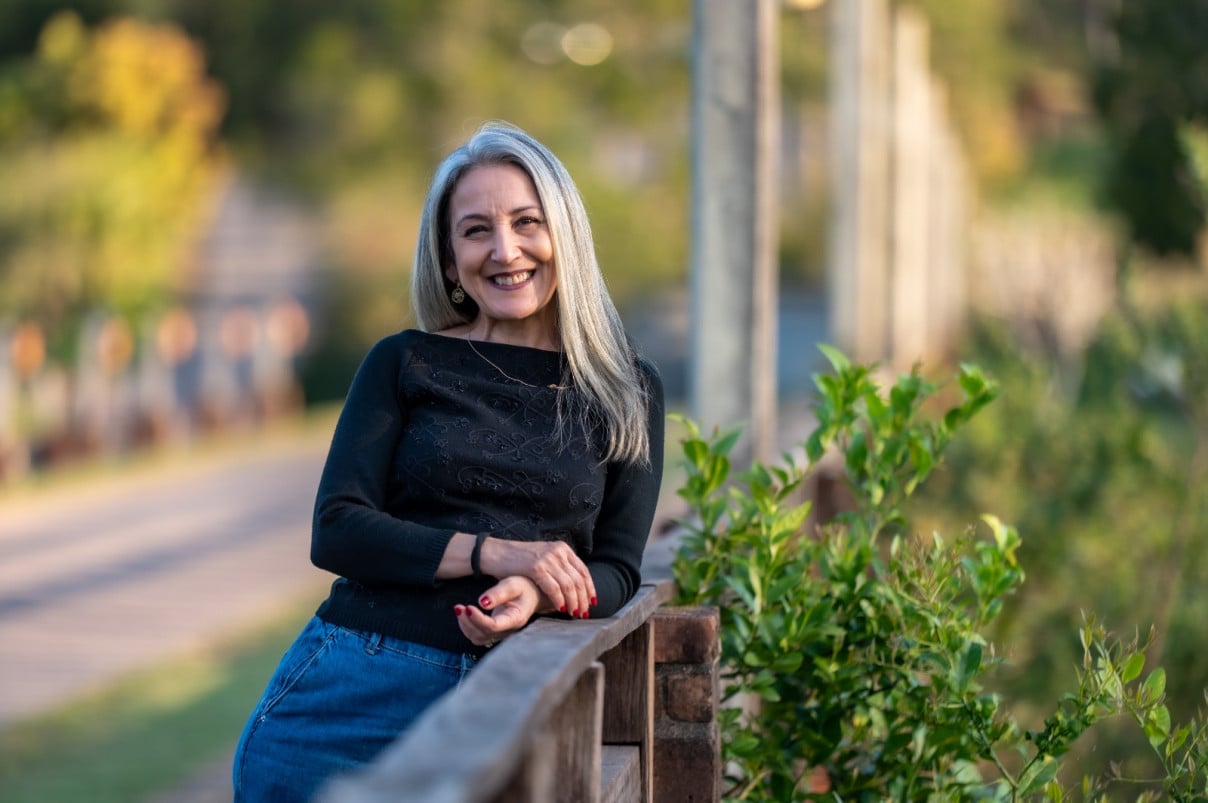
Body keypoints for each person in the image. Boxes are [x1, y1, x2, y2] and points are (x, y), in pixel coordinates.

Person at [231, 120, 665, 801]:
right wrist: (499, 554)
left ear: (566, 233)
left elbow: (617, 567)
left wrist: (541, 593)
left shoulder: (623, 388)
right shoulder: (404, 362)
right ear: (447, 253)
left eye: (527, 221)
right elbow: (338, 529)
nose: (505, 250)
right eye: (475, 230)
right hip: (351, 688)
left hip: (516, 700)